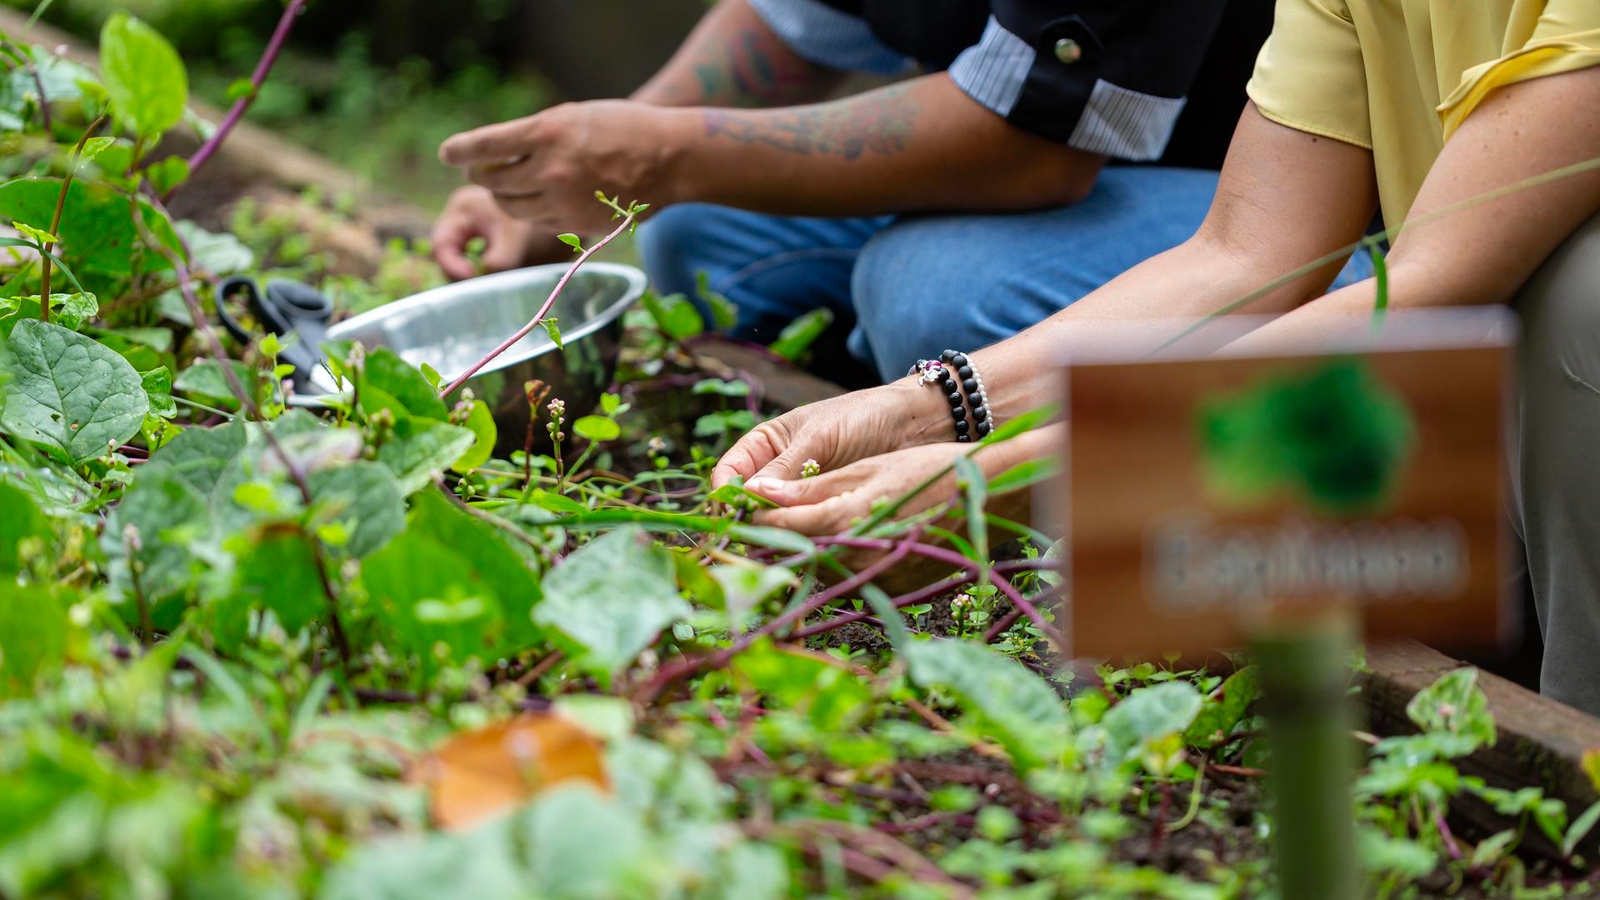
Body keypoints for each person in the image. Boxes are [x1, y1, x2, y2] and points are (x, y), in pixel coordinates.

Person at [713, 0, 1600, 714]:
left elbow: (1430, 284)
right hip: (1491, 404)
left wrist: (1000, 482)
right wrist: (917, 409)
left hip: (1536, 358)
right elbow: (1245, 252)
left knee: (1580, 297)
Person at [431, 0, 1374, 385]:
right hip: (1079, 178)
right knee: (697, 238)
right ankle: (897, 395)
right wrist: (565, 167)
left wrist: (659, 156)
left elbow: (1033, 148)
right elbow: (794, 22)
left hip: (1297, 210)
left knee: (934, 292)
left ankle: (958, 418)